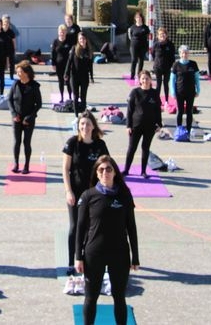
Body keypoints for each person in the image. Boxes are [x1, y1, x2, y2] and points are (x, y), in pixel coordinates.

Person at [75, 155, 139, 325]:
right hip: (94, 253)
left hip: (119, 254)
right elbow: (80, 228)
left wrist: (136, 257)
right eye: (101, 170)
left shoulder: (124, 195)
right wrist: (78, 256)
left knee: (119, 297)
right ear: (96, 173)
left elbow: (131, 227)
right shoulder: (88, 196)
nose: (105, 173)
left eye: (109, 169)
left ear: (115, 173)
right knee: (91, 298)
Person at [62, 111, 110, 275]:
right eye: (82, 124)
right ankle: (71, 261)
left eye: (88, 124)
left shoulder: (100, 145)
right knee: (75, 227)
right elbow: (66, 169)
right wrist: (68, 191)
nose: (85, 127)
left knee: (93, 228)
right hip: (76, 192)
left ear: (93, 126)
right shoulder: (72, 143)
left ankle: (88, 259)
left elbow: (106, 168)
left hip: (94, 194)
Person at [123, 70, 163, 178]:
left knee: (145, 148)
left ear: (151, 79)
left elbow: (157, 110)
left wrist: (159, 124)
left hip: (150, 126)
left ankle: (143, 171)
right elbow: (129, 110)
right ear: (140, 80)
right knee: (132, 148)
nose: (145, 80)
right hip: (136, 126)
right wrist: (128, 126)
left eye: (147, 78)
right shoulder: (135, 92)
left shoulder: (154, 93)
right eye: (143, 79)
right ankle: (126, 170)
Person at [8, 60, 42, 174]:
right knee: (16, 141)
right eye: (17, 72)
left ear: (27, 73)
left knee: (26, 142)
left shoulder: (34, 86)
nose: (18, 74)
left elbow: (39, 104)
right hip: (16, 118)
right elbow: (9, 100)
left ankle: (26, 165)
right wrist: (13, 114)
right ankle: (16, 164)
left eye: (20, 72)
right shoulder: (15, 84)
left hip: (29, 119)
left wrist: (30, 117)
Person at [169, 45, 200, 133]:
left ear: (188, 54)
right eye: (183, 53)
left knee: (189, 111)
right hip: (179, 92)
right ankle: (179, 128)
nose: (184, 55)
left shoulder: (193, 64)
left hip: (190, 92)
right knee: (180, 111)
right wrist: (173, 92)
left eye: (186, 53)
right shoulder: (176, 64)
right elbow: (172, 80)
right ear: (180, 54)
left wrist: (198, 90)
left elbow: (197, 78)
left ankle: (189, 129)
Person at [65, 32, 94, 115]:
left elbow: (90, 65)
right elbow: (69, 61)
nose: (82, 40)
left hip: (84, 77)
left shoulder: (89, 50)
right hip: (74, 76)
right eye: (80, 38)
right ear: (78, 40)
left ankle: (84, 114)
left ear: (86, 40)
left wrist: (91, 77)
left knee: (83, 97)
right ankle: (76, 115)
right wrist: (66, 73)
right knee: (75, 97)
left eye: (83, 39)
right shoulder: (74, 48)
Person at [151, 28, 176, 103]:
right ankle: (157, 100)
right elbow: (152, 54)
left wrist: (171, 66)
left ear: (166, 35)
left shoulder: (170, 44)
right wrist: (157, 62)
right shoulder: (155, 44)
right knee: (158, 84)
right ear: (158, 36)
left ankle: (166, 100)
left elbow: (172, 57)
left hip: (167, 67)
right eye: (160, 34)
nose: (162, 35)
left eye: (164, 34)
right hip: (158, 67)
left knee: (166, 84)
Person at [51, 24, 73, 103]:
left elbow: (73, 52)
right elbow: (53, 53)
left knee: (68, 82)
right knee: (60, 81)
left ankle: (70, 97)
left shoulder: (69, 41)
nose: (62, 33)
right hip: (58, 64)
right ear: (58, 32)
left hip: (68, 65)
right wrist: (53, 64)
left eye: (63, 32)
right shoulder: (55, 41)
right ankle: (62, 97)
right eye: (61, 32)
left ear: (66, 32)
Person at [127, 12, 150, 78]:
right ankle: (132, 74)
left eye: (139, 17)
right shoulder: (132, 27)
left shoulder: (145, 28)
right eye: (137, 18)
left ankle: (139, 74)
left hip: (143, 46)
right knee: (134, 59)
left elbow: (148, 36)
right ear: (135, 19)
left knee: (141, 60)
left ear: (142, 18)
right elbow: (130, 36)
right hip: (134, 46)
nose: (138, 19)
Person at [2, 14, 18, 80]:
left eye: (8, 22)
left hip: (10, 49)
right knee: (2, 64)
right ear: (3, 23)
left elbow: (14, 41)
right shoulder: (0, 30)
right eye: (5, 22)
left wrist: (15, 49)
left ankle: (11, 76)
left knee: (12, 63)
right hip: (2, 49)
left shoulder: (11, 32)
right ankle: (1, 76)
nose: (6, 23)